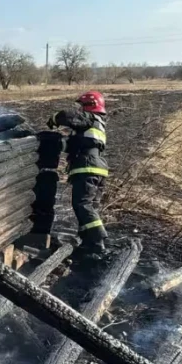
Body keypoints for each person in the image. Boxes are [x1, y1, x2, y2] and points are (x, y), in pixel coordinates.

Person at [47, 91, 108, 256]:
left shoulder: (88, 118)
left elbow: (68, 115)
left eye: (82, 105)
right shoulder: (98, 124)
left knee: (82, 205)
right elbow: (78, 144)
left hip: (88, 167)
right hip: (98, 168)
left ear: (89, 105)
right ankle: (88, 242)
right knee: (90, 207)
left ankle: (98, 241)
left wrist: (54, 119)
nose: (80, 108)